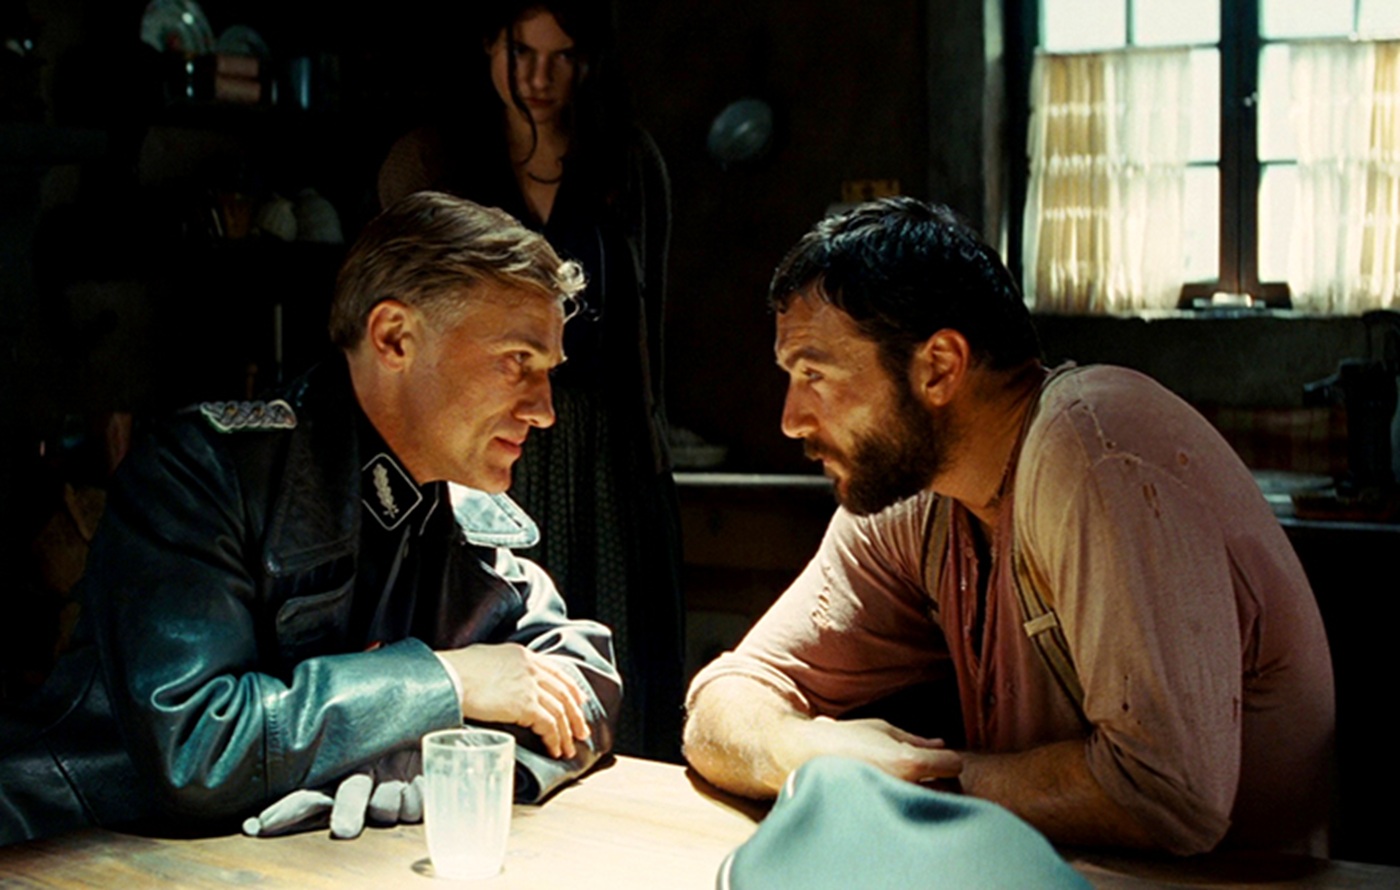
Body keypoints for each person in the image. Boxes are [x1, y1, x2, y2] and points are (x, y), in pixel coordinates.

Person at [683, 198, 1335, 856]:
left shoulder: (1092, 447)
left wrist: (906, 785)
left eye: (814, 374)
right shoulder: (917, 497)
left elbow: (1167, 795)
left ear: (939, 366)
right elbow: (725, 697)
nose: (791, 419)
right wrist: (805, 749)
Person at [0, 192, 621, 846]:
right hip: (85, 855)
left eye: (547, 372)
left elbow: (584, 679)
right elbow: (197, 747)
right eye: (517, 362)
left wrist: (436, 770)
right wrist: (446, 680)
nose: (545, 410)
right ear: (395, 338)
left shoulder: (461, 510)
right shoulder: (202, 474)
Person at [378, 0, 682, 759]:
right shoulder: (434, 161)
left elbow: (650, 325)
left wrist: (650, 455)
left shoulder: (626, 162)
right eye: (522, 53)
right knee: (489, 631)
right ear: (489, 46)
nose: (540, 78)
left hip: (602, 450)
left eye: (563, 56)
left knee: (612, 645)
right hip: (476, 438)